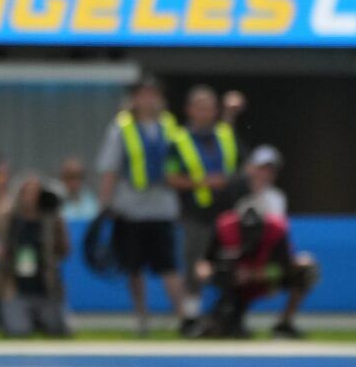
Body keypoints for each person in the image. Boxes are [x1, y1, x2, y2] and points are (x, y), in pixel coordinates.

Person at [95, 76, 187, 336]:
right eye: (143, 94)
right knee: (133, 267)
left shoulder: (170, 128)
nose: (148, 100)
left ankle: (182, 317)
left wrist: (180, 203)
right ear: (135, 98)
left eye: (153, 94)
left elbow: (181, 165)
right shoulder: (121, 128)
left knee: (168, 265)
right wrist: (106, 202)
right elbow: (110, 169)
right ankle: (141, 317)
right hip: (131, 209)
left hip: (163, 208)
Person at [166, 84, 243, 329]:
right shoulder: (179, 140)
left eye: (210, 108)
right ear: (189, 110)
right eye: (200, 108)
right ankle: (190, 318)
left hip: (226, 215)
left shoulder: (224, 135)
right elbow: (171, 177)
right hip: (195, 214)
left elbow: (239, 168)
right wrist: (204, 182)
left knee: (229, 264)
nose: (205, 113)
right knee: (194, 265)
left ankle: (229, 316)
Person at [194, 191, 319, 339]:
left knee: (305, 269)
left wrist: (256, 274)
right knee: (224, 273)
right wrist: (207, 272)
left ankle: (284, 324)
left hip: (266, 279)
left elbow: (284, 267)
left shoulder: (276, 230)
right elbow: (206, 260)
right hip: (234, 280)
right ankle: (225, 318)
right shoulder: (225, 227)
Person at [0, 173, 70, 337]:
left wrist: (58, 221)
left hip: (45, 290)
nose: (30, 197)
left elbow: (65, 251)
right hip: (16, 290)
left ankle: (41, 318)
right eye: (26, 192)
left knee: (59, 331)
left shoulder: (51, 220)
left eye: (35, 192)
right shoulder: (8, 219)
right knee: (18, 332)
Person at [57, 155, 100, 220]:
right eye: (71, 177)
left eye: (78, 177)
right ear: (63, 178)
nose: (75, 182)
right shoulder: (55, 201)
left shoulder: (92, 202)